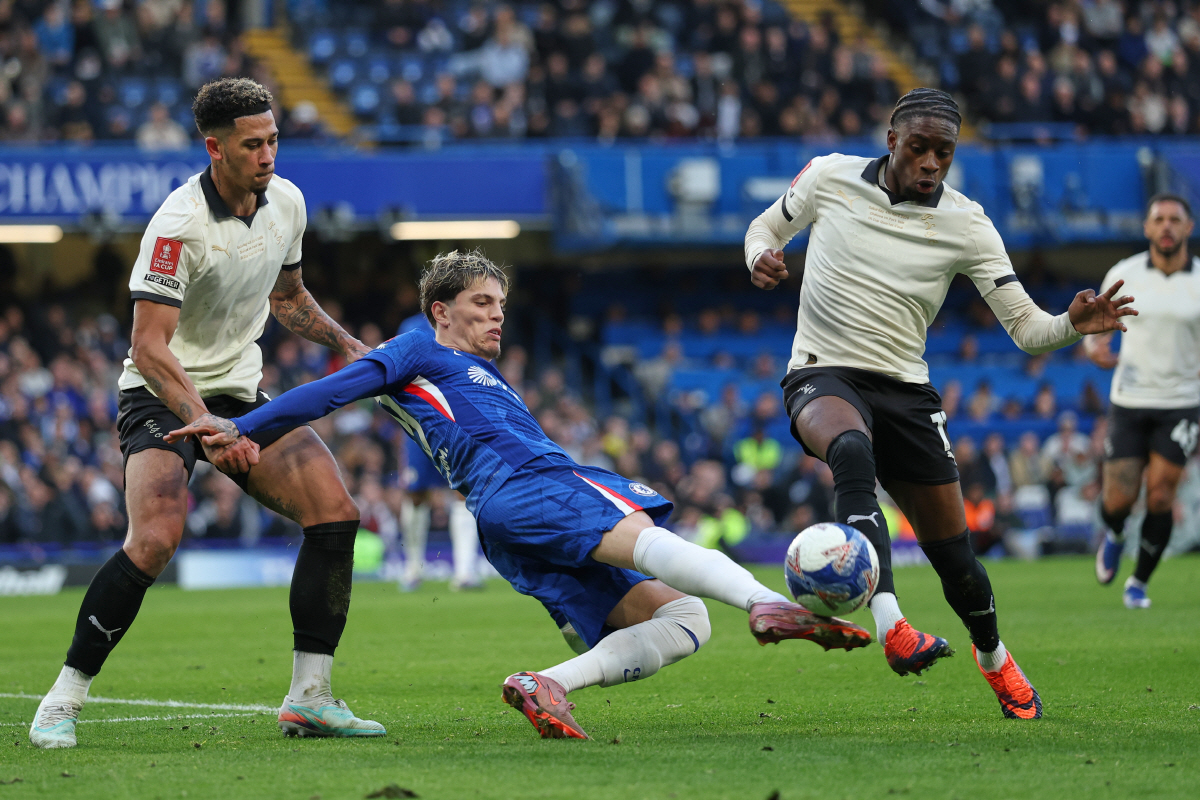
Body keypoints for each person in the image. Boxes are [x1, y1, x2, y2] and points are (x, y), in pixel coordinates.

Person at [166, 250, 873, 740]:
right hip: (530, 487)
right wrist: (242, 425)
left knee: (686, 620)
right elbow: (329, 391)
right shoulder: (417, 351)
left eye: (501, 305)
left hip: (508, 519)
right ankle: (765, 603)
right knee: (654, 543)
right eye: (481, 304)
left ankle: (548, 683)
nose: (496, 316)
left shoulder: (475, 374)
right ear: (440, 312)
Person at [744, 88, 1136, 720]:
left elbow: (1028, 330)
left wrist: (1071, 322)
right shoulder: (829, 176)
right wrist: (759, 254)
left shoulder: (967, 223)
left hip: (905, 391)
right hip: (823, 372)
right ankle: (893, 625)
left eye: (944, 153)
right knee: (849, 450)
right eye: (920, 147)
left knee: (958, 563)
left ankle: (995, 659)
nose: (931, 163)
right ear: (892, 140)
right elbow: (765, 226)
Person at [29, 78, 384, 749]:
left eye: (273, 139)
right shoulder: (177, 227)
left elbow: (289, 297)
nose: (269, 155)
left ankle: (310, 696)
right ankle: (63, 697)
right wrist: (203, 420)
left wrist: (347, 346)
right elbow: (148, 345)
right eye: (253, 144)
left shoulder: (288, 202)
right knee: (156, 537)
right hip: (162, 390)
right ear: (214, 148)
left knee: (335, 513)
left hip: (239, 393)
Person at [1086, 194, 1199, 609]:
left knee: (1161, 496)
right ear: (1147, 228)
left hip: (1182, 403)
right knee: (1117, 501)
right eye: (1159, 219)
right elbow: (1095, 330)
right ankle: (1115, 534)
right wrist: (1094, 350)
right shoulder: (1125, 273)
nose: (1167, 226)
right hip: (1130, 400)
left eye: (1175, 219)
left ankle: (1139, 583)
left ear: (1188, 227)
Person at [395, 311, 484, 592]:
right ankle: (411, 570)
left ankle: (465, 573)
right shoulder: (410, 326)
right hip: (420, 421)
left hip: (457, 422)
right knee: (415, 493)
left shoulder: (466, 322)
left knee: (462, 493)